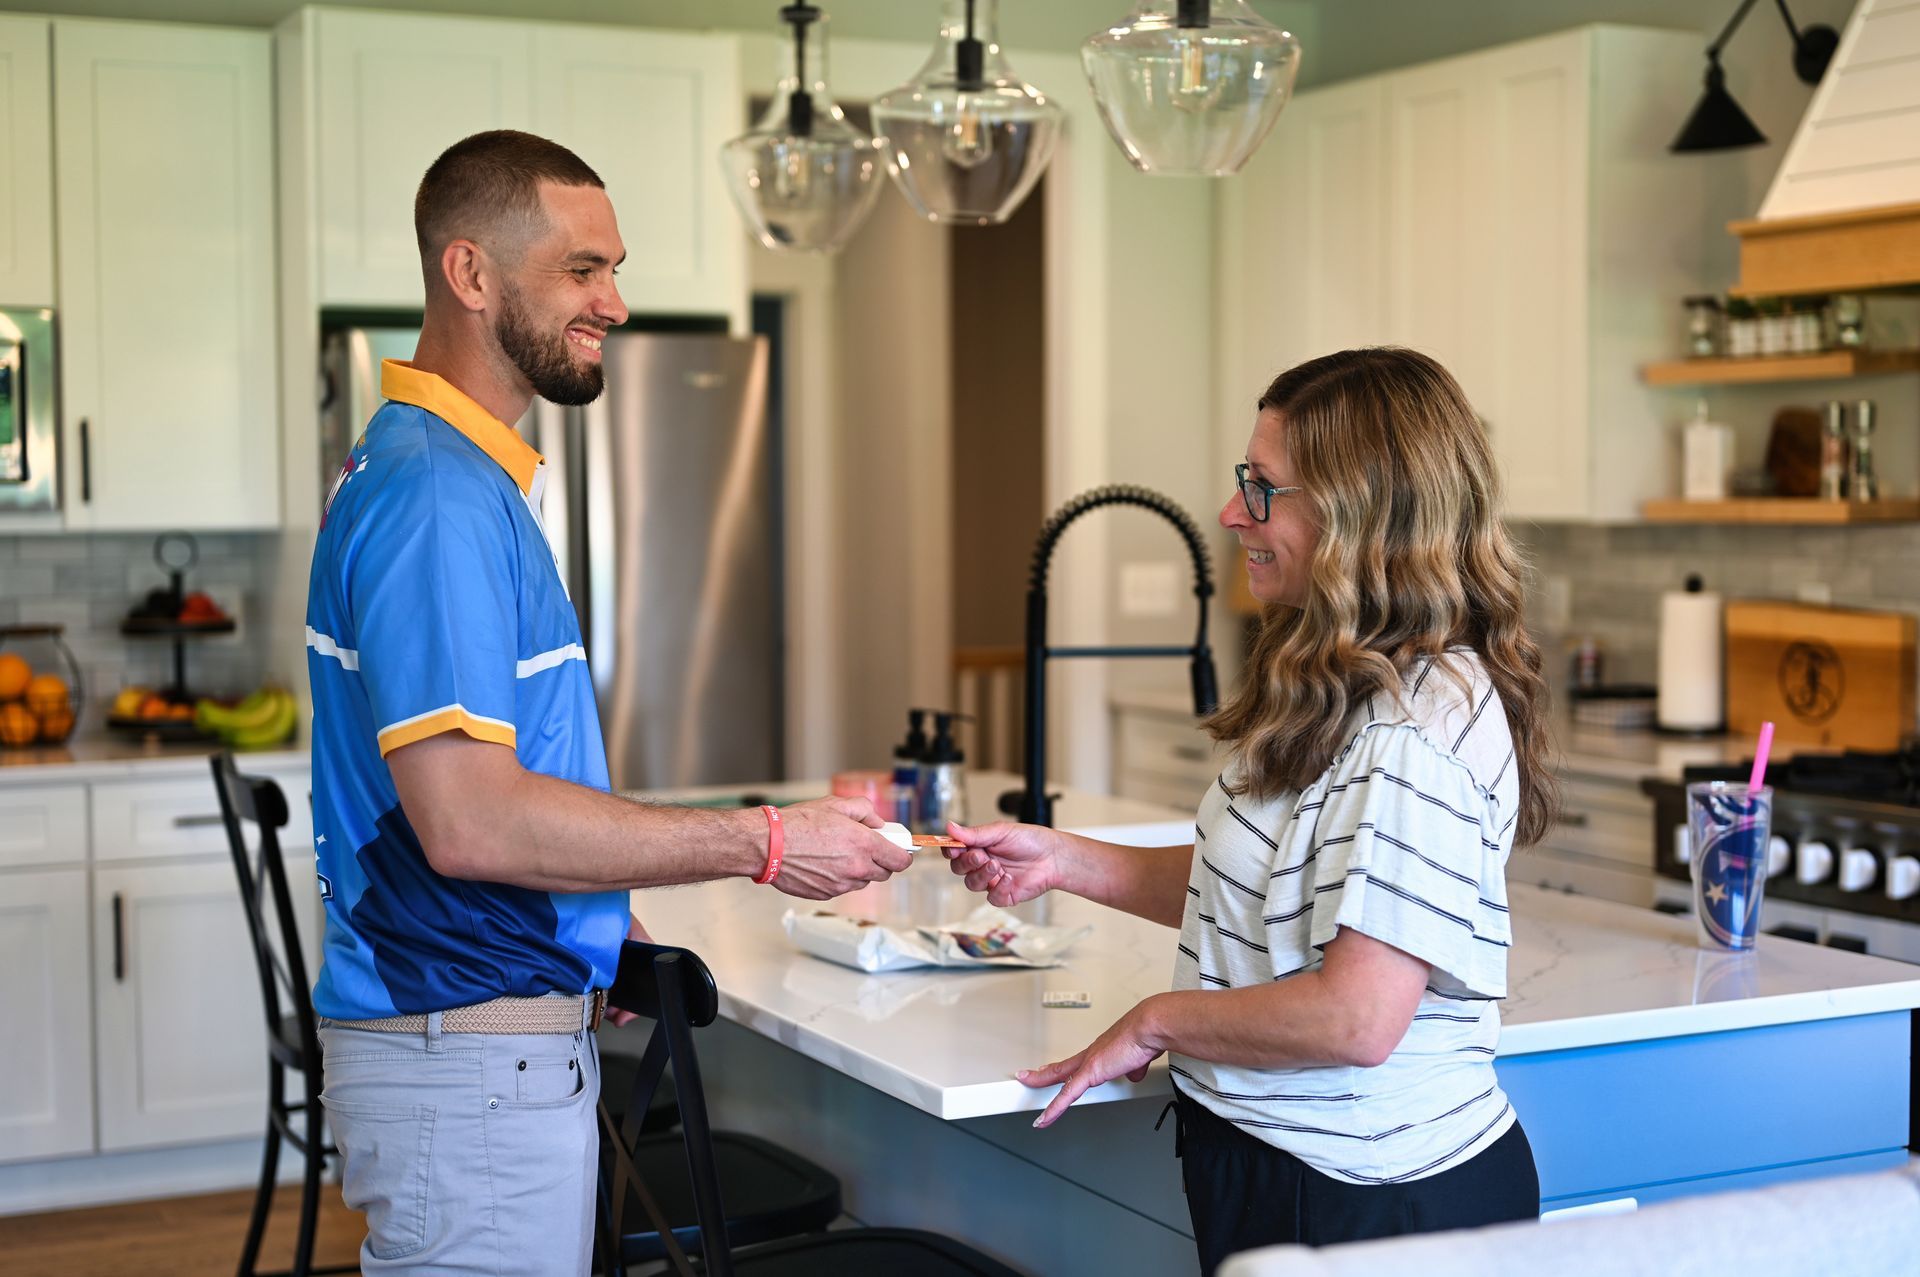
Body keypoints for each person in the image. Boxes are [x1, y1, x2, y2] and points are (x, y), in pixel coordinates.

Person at [304, 130, 911, 1275]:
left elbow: (490, 794)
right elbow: (470, 819)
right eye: (583, 269)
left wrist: (585, 917)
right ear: (472, 274)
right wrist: (763, 841)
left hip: (472, 1048)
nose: (616, 303)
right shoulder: (438, 499)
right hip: (466, 1061)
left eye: (613, 269)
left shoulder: (454, 477)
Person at [944, 347, 1553, 1274]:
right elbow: (1277, 888)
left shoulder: (1417, 728)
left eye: (1263, 488)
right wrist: (1066, 860)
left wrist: (1155, 1020)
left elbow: (1355, 1019)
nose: (1234, 514)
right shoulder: (1343, 677)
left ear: (1358, 513)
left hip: (1371, 1196)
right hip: (1289, 1167)